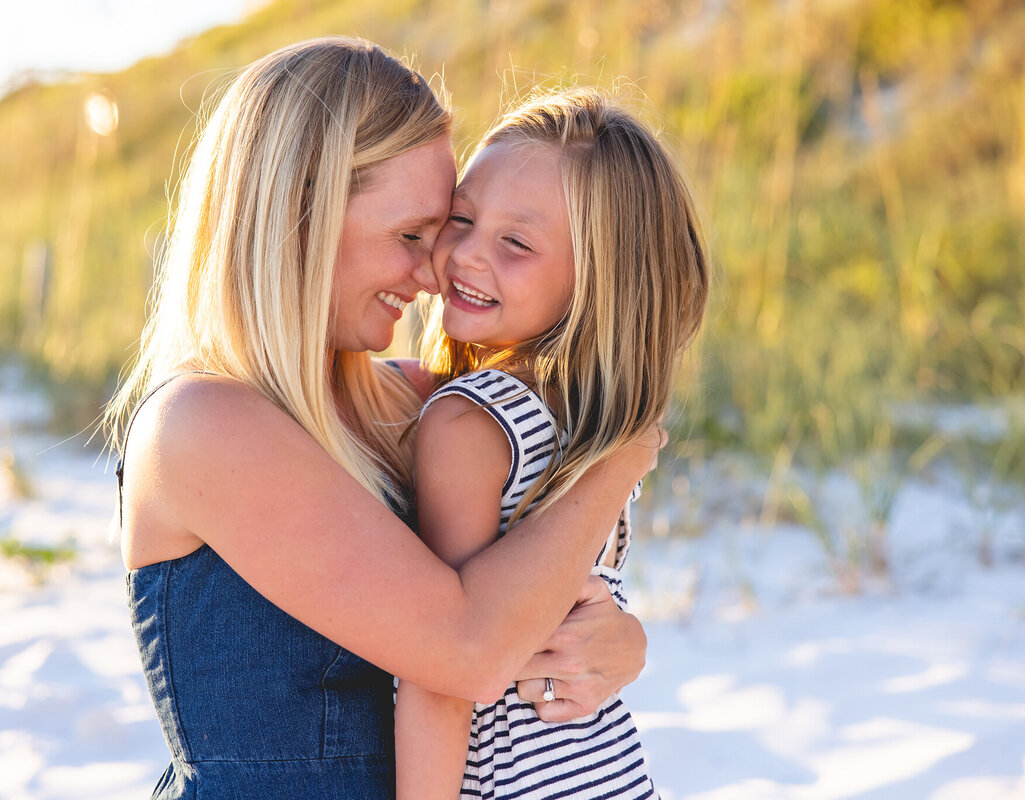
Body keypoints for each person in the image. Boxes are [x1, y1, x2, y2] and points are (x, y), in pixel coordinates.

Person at [104, 38, 656, 799]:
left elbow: (536, 593)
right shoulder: (199, 426)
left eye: (443, 231)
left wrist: (620, 644)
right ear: (296, 211)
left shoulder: (416, 403)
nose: (435, 274)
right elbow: (466, 650)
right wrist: (624, 455)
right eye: (410, 236)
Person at [394, 90, 710, 799]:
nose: (468, 255)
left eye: (516, 243)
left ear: (596, 281)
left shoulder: (470, 423)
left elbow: (441, 673)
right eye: (463, 219)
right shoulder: (601, 421)